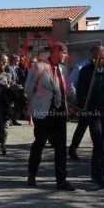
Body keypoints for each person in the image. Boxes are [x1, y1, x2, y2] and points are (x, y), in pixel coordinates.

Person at [24, 42, 75, 191]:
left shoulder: (63, 70)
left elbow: (65, 90)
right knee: (39, 145)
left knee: (61, 148)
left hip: (59, 113)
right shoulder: (38, 67)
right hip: (43, 113)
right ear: (56, 52)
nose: (66, 56)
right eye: (64, 53)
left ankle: (61, 181)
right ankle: (31, 175)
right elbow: (28, 90)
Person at [76, 45, 104, 190]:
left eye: (101, 57)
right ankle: (99, 176)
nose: (98, 60)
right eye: (95, 57)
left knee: (102, 143)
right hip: (93, 112)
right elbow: (80, 92)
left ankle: (95, 173)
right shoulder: (86, 71)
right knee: (98, 142)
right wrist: (84, 107)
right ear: (92, 57)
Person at [67, 48, 93, 161]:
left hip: (98, 102)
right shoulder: (80, 67)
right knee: (82, 126)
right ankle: (73, 148)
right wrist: (77, 99)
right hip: (85, 102)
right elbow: (71, 83)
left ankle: (99, 150)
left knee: (96, 127)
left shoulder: (103, 67)